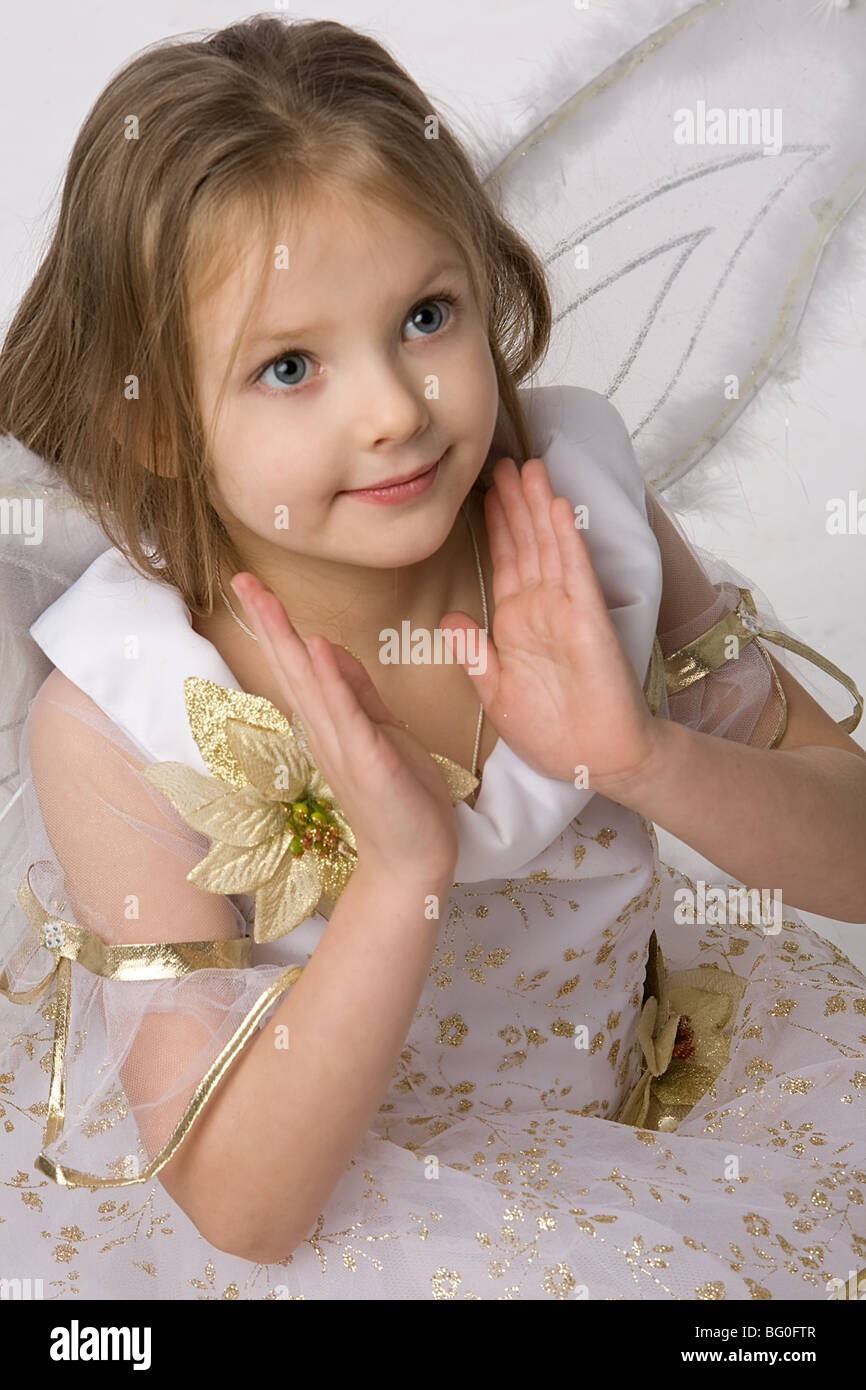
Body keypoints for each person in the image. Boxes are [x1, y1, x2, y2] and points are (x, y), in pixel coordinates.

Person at [1, 13, 865, 1302]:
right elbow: (244, 1205)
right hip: (344, 1214)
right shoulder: (122, 716)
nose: (396, 410)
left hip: (644, 1113)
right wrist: (401, 867)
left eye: (426, 315)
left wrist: (644, 758)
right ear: (164, 428)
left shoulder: (578, 520)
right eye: (288, 365)